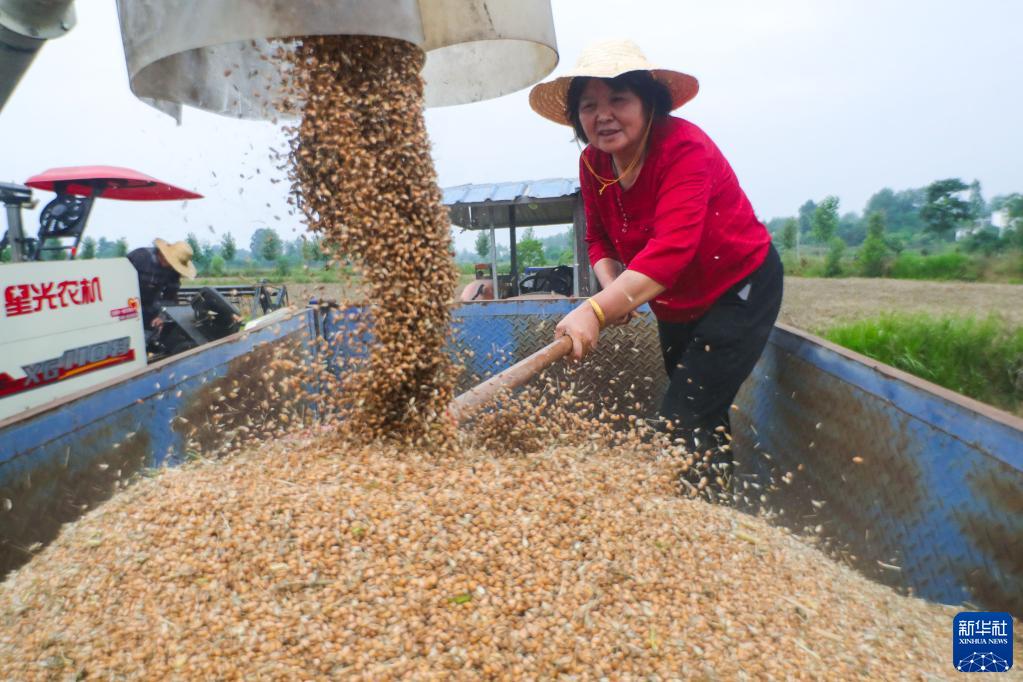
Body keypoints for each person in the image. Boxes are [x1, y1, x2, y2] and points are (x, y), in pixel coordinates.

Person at [528, 40, 783, 485]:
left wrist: (596, 309)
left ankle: (692, 508)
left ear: (648, 104)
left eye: (618, 99)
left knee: (683, 417)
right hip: (675, 302)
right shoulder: (593, 163)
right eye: (589, 105)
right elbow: (598, 239)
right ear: (577, 117)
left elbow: (671, 252)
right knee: (701, 410)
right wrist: (614, 292)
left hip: (737, 288)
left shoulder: (684, 148)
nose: (603, 115)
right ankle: (714, 502)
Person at [127, 238, 197, 329]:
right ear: (164, 254)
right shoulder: (139, 256)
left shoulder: (173, 272)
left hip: (151, 311)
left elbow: (170, 296)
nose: (172, 266)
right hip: (126, 307)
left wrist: (162, 316)